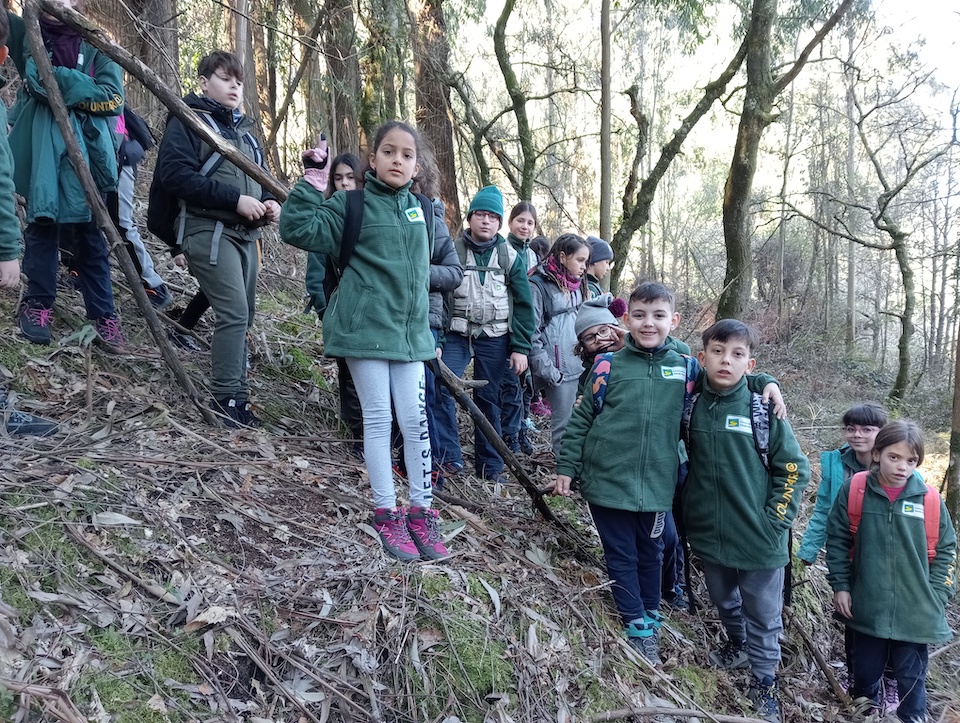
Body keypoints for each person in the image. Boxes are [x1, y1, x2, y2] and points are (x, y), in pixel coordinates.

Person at [553, 283, 784, 666]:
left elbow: (728, 379)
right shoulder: (607, 366)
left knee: (652, 552)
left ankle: (650, 613)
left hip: (659, 485)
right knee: (621, 554)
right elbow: (581, 420)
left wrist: (766, 382)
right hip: (606, 481)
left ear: (673, 320)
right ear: (626, 320)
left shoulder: (686, 367)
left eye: (658, 316)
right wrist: (566, 467)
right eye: (640, 315)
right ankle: (637, 626)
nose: (649, 323)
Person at [280, 120, 449, 562]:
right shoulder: (350, 203)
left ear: (416, 166)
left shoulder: (422, 209)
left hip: (409, 335)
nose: (398, 160)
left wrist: (429, 329)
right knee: (378, 420)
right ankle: (386, 513)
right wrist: (312, 183)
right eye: (389, 152)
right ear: (372, 159)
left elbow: (424, 276)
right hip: (364, 330)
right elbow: (297, 229)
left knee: (416, 421)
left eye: (407, 155)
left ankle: (421, 513)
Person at [681, 319, 809, 722]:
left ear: (749, 365)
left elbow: (794, 469)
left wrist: (775, 522)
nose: (726, 361)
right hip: (710, 532)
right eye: (718, 352)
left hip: (760, 538)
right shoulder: (691, 403)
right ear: (702, 358)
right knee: (723, 599)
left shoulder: (763, 408)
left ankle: (764, 681)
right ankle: (737, 645)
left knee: (764, 615)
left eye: (737, 355)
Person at [153, 50, 280, 428]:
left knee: (245, 315)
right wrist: (234, 200)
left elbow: (261, 180)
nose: (234, 87)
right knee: (234, 312)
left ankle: (239, 399)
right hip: (207, 229)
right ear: (204, 82)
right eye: (225, 79)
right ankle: (225, 399)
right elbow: (175, 175)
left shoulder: (247, 135)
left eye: (239, 82)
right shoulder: (188, 121)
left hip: (246, 235)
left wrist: (270, 201)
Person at [9, 1, 127, 352]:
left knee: (90, 235)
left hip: (86, 152)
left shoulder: (97, 42)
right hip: (40, 149)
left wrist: (58, 79)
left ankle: (104, 315)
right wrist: (80, 85)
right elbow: (35, 79)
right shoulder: (26, 31)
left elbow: (113, 99)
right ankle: (38, 303)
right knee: (42, 225)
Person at [826, 420, 956, 723]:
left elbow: (947, 552)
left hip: (915, 612)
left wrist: (937, 596)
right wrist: (841, 585)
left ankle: (912, 717)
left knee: (911, 678)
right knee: (864, 672)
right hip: (867, 607)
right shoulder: (856, 490)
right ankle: (864, 713)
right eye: (894, 457)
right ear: (877, 454)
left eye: (911, 460)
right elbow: (837, 540)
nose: (902, 467)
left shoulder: (929, 500)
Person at [433, 185, 536, 483]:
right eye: (480, 214)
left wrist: (520, 347)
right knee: (442, 387)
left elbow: (524, 304)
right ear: (470, 218)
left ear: (499, 222)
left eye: (492, 216)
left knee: (489, 398)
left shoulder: (510, 257)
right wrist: (438, 340)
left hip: (496, 335)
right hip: (456, 333)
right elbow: (440, 298)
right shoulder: (452, 250)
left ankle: (490, 467)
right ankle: (449, 457)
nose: (486, 221)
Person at [304, 152, 364, 451]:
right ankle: (357, 434)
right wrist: (325, 311)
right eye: (338, 178)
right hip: (339, 310)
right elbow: (315, 273)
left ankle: (384, 432)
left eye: (350, 177)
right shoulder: (328, 216)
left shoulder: (372, 213)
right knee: (349, 373)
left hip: (372, 310)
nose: (344, 184)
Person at [798, 402, 888, 565]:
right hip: (844, 552)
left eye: (866, 430)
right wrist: (809, 551)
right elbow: (824, 510)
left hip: (883, 554)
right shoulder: (836, 465)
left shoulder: (896, 467)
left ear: (883, 432)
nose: (857, 435)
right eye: (851, 429)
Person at [529, 233, 590, 456]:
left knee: (581, 422)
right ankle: (563, 472)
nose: (584, 267)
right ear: (563, 257)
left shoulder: (578, 284)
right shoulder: (537, 286)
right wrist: (550, 372)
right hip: (559, 371)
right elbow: (530, 335)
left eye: (586, 261)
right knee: (564, 426)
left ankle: (578, 467)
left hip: (580, 366)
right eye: (580, 260)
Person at [500, 201, 539, 455]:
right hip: (506, 327)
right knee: (510, 384)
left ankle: (521, 428)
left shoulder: (533, 256)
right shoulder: (503, 249)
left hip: (528, 327)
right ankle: (509, 434)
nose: (524, 226)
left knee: (527, 385)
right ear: (510, 222)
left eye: (530, 223)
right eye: (520, 221)